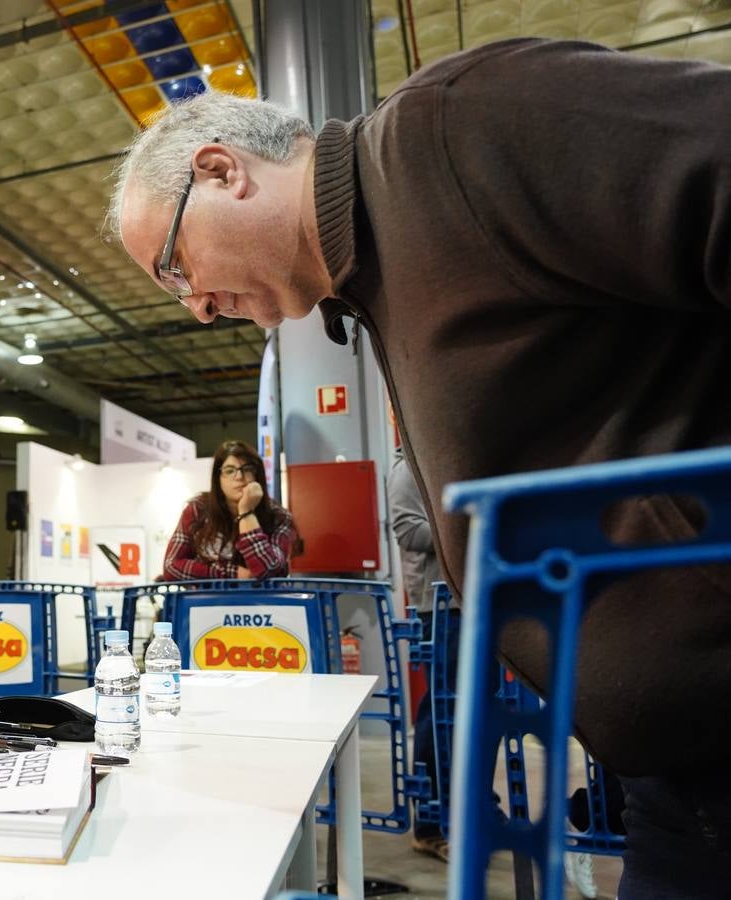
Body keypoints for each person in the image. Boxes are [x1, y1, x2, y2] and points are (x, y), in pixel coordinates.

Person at [108, 39, 730, 896]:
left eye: (178, 268)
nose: (199, 306)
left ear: (221, 171)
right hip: (682, 780)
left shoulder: (459, 127)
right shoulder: (372, 285)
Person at [390, 438, 455, 864]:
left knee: (468, 717)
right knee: (439, 714)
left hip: (466, 602)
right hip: (440, 607)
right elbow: (407, 529)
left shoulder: (442, 458)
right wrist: (465, 524)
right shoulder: (408, 467)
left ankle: (470, 810)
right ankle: (431, 826)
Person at [162, 440, 296, 581]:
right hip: (209, 601)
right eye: (229, 471)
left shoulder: (278, 516)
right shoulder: (198, 509)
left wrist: (246, 512)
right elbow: (171, 567)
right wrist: (232, 573)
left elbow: (267, 570)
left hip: (262, 601)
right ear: (218, 478)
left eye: (247, 469)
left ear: (257, 475)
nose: (239, 477)